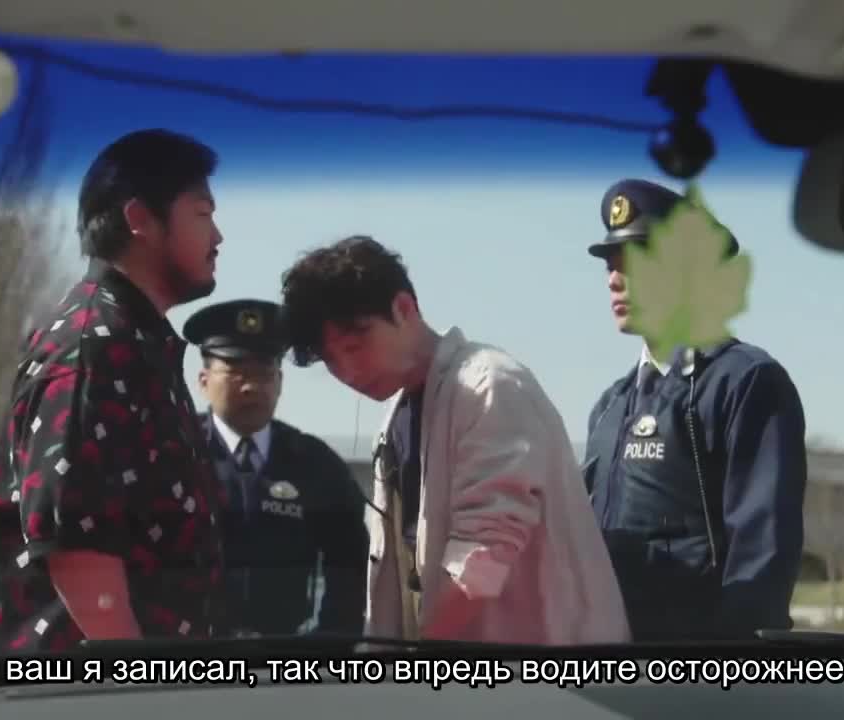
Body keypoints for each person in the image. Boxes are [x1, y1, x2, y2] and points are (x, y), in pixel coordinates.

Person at [279, 235, 630, 645]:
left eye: (356, 346)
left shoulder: (488, 385)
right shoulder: (398, 413)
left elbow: (482, 555)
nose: (349, 373)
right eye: (331, 361)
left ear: (404, 309)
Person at [0, 129, 227, 656]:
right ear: (140, 219)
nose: (217, 236)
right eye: (202, 213)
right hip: (71, 689)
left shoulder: (136, 343)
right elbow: (79, 555)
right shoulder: (95, 347)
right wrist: (140, 684)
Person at [581, 178, 808, 642]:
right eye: (610, 264)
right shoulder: (609, 407)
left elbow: (761, 567)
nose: (614, 279)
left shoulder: (744, 382)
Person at [184, 299, 369, 637]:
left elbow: (350, 564)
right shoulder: (174, 452)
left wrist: (328, 645)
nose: (251, 386)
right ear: (204, 380)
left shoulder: (314, 463)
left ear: (280, 382)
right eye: (236, 372)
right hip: (185, 656)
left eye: (263, 373)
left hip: (284, 657)